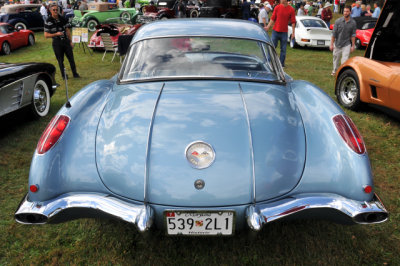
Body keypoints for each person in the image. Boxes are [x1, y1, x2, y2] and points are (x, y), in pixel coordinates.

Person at [44, 3, 80, 79]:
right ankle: (64, 76)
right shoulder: (48, 21)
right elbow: (46, 35)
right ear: (50, 11)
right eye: (54, 10)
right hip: (57, 43)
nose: (56, 11)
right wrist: (56, 34)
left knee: (71, 58)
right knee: (60, 60)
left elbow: (67, 30)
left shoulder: (63, 18)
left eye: (57, 9)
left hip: (66, 41)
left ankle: (75, 74)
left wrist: (70, 41)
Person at [265, 0, 296, 67]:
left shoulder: (291, 9)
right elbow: (273, 18)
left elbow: (293, 22)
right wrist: (268, 27)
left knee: (283, 49)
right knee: (272, 47)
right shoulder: (277, 7)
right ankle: (268, 62)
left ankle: (281, 64)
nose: (281, 0)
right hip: (275, 31)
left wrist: (293, 33)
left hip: (284, 32)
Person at [330, 5, 356, 76]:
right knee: (336, 58)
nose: (345, 13)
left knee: (344, 60)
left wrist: (353, 45)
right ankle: (335, 70)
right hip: (337, 43)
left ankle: (341, 73)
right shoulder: (338, 21)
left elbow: (353, 35)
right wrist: (331, 44)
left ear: (350, 12)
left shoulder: (353, 23)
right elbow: (334, 34)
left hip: (347, 44)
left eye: (347, 11)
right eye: (344, 11)